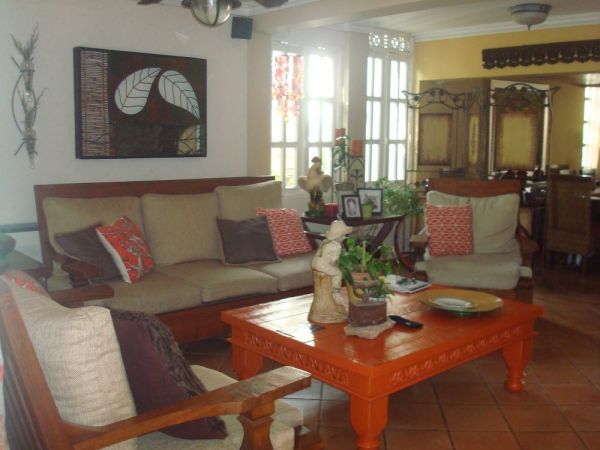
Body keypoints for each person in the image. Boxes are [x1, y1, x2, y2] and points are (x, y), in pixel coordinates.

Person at [311, 220, 352, 301]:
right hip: (321, 264)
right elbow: (333, 260)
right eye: (344, 235)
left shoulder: (326, 242)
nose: (344, 237)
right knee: (338, 274)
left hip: (315, 261)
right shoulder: (335, 245)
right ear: (340, 236)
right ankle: (335, 293)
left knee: (334, 271)